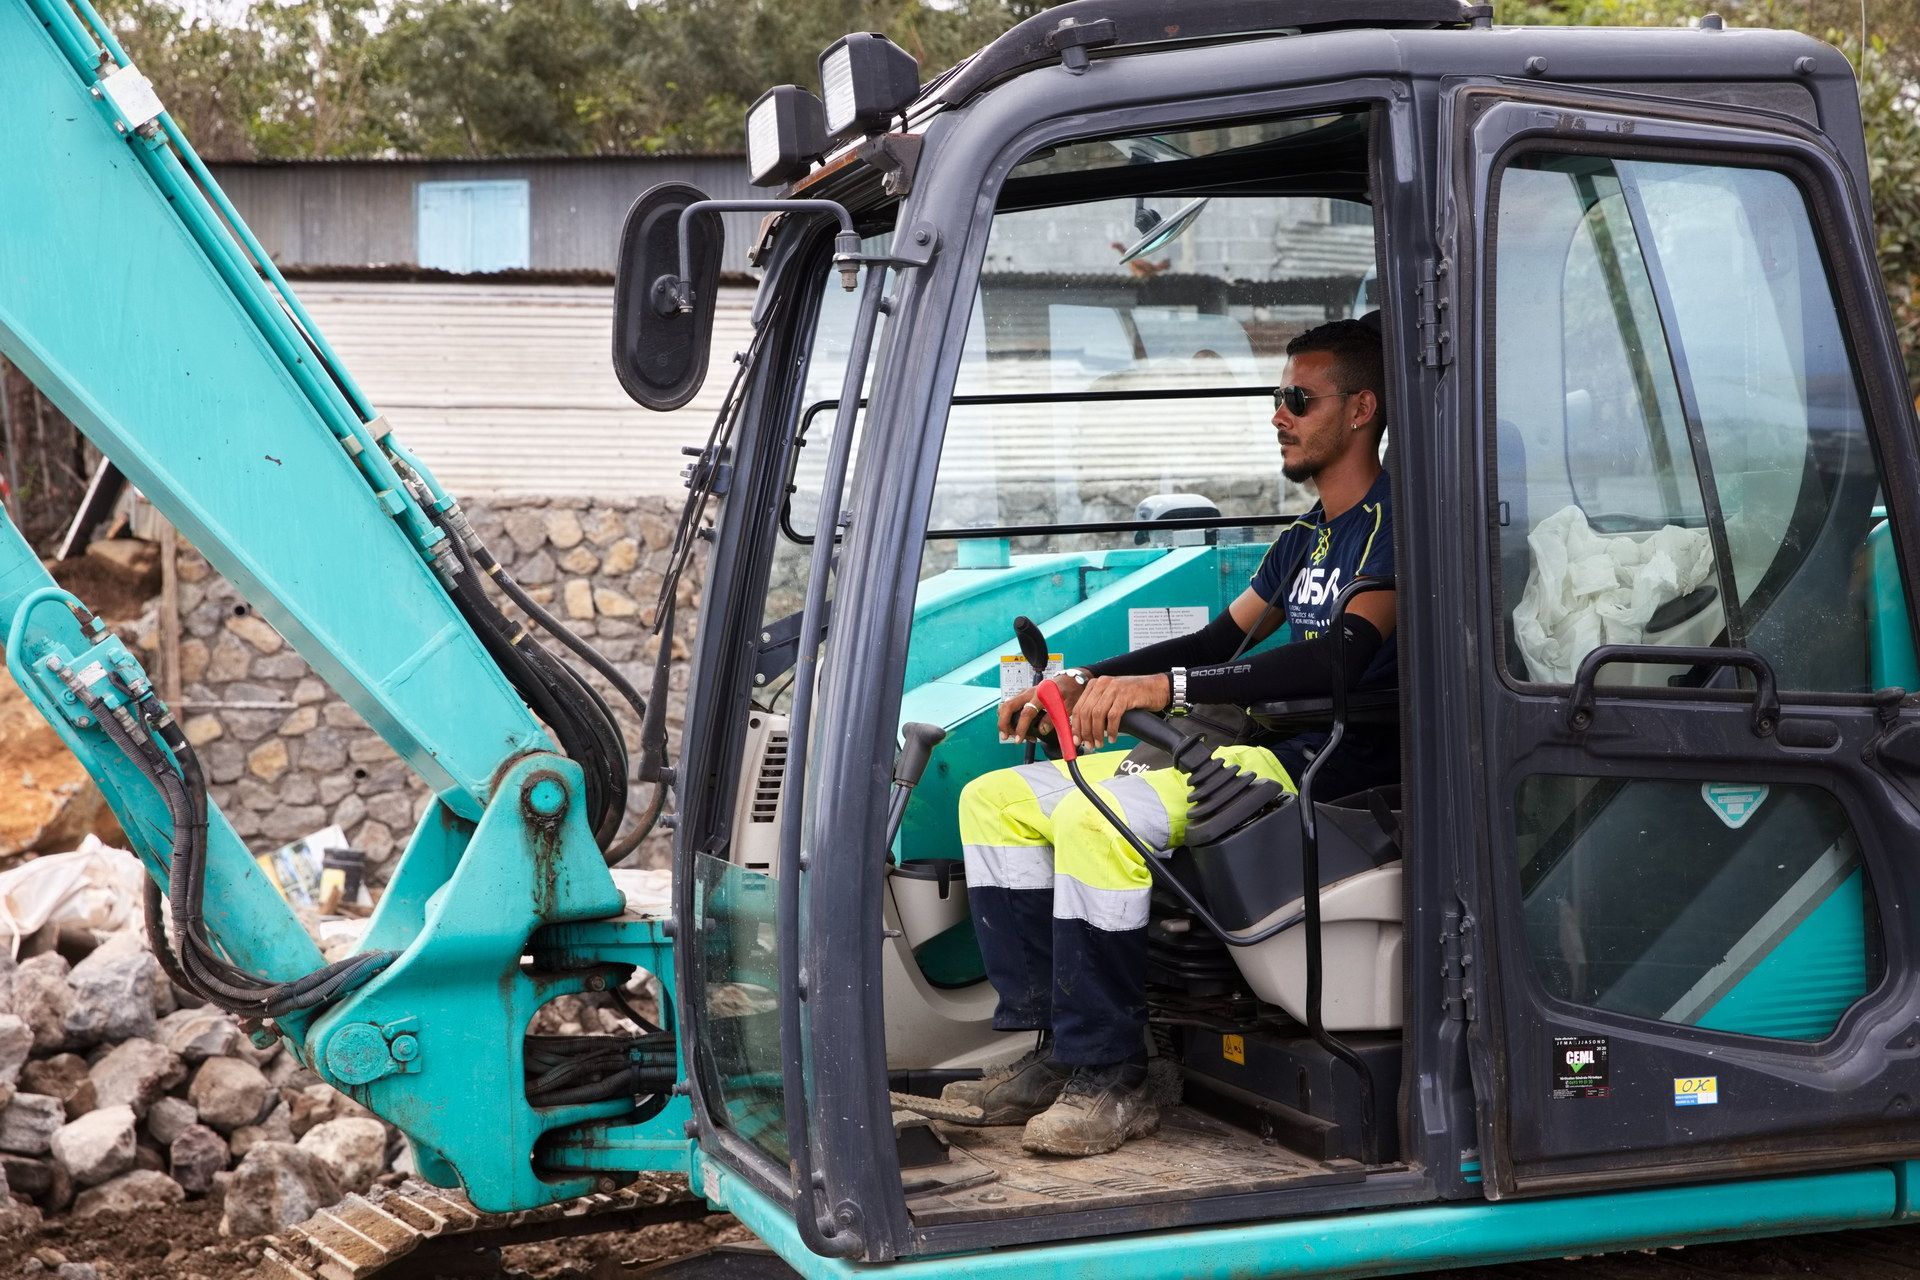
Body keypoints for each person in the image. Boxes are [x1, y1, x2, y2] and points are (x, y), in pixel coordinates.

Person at [948, 318, 1397, 1157]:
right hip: (1248, 752)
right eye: (1278, 398)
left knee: (1094, 817)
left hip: (1323, 763)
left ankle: (1113, 1073)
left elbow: (1343, 657)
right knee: (994, 803)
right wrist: (1082, 682)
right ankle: (1056, 1052)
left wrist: (1168, 691)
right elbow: (1213, 644)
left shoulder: (1395, 525)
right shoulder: (1303, 540)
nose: (1278, 415)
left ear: (1362, 408)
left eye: (1299, 398)